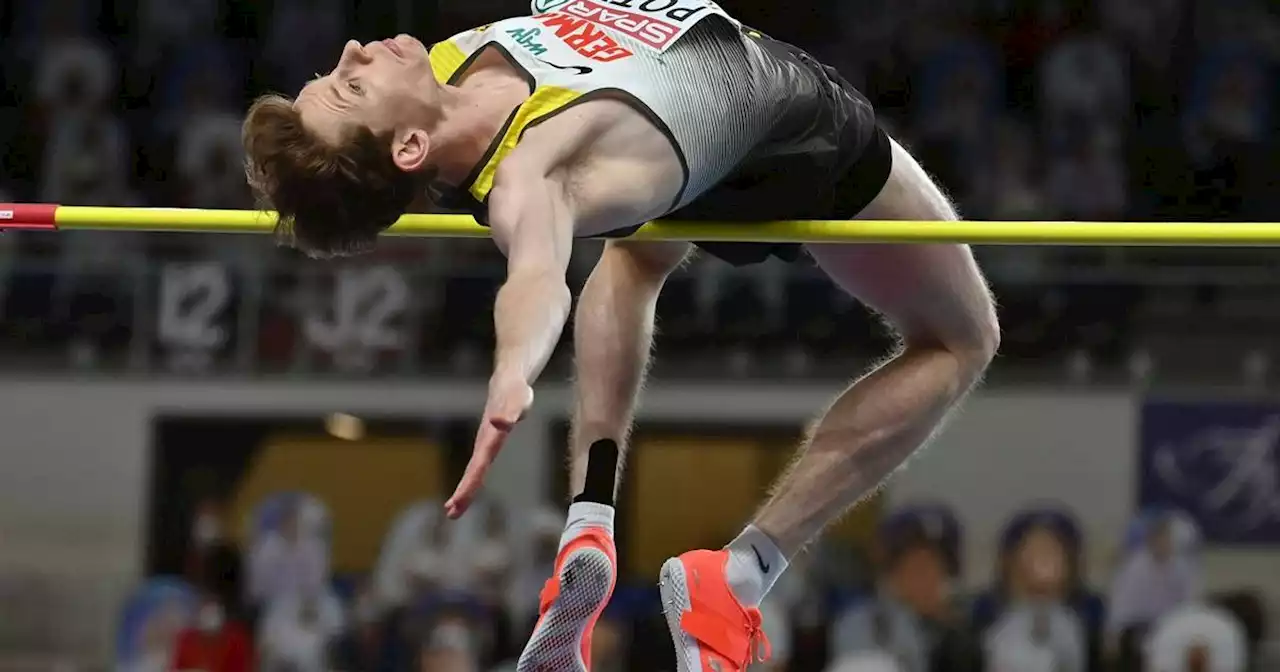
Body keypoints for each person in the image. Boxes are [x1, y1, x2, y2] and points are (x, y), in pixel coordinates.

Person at [241, 2, 1000, 670]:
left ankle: (589, 528)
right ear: (408, 149)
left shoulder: (449, 65)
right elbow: (535, 277)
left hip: (696, 150)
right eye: (350, 87)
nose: (350, 54)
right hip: (802, 130)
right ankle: (738, 574)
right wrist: (514, 372)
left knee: (634, 252)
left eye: (337, 73)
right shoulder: (534, 175)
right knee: (963, 341)